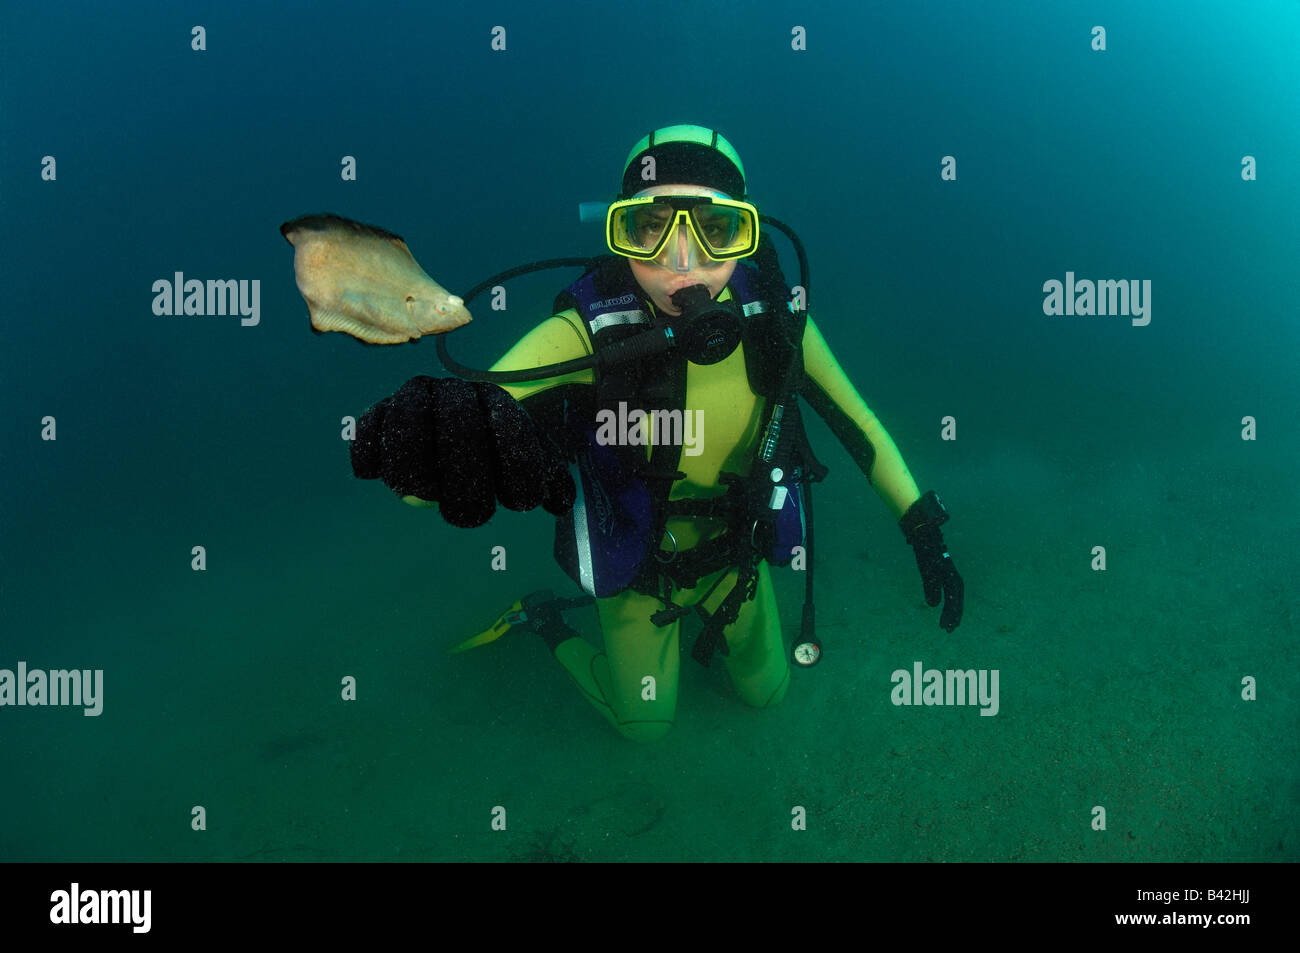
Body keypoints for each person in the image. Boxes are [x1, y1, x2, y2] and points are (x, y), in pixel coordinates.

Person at [350, 125, 963, 742]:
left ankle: (699, 634)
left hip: (735, 561)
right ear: (621, 239)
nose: (682, 259)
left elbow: (859, 424)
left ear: (746, 236)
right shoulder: (586, 335)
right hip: (642, 571)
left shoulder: (777, 322)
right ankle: (542, 621)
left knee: (768, 693)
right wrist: (427, 438)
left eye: (714, 229)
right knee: (643, 726)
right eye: (652, 227)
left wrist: (921, 526)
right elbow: (438, 464)